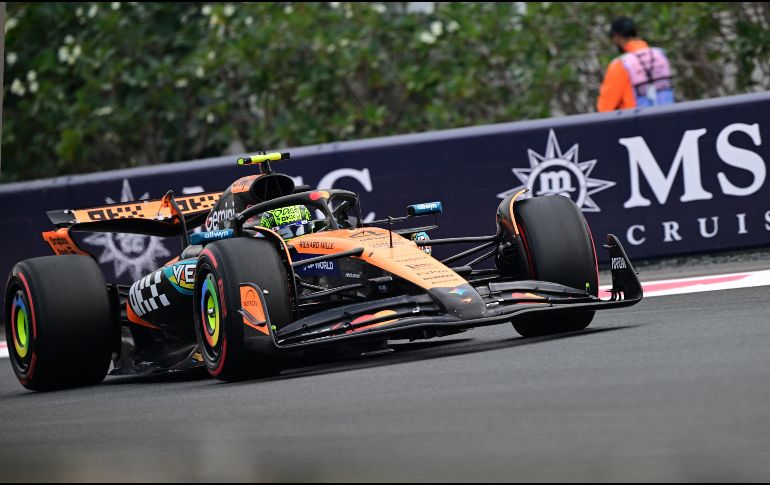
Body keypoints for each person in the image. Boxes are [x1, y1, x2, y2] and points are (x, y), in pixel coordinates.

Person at [597, 17, 675, 112]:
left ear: (616, 37)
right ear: (636, 33)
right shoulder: (661, 55)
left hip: (637, 124)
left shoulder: (620, 64)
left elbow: (605, 108)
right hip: (669, 120)